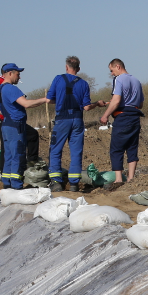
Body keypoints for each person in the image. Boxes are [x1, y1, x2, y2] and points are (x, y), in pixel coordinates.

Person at [44, 56, 99, 193]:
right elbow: (86, 107)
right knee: (76, 152)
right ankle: (74, 184)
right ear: (78, 69)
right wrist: (98, 104)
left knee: (56, 150)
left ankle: (56, 182)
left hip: (62, 119)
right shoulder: (84, 84)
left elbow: (49, 99)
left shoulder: (58, 79)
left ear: (66, 67)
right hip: (77, 120)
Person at [0, 63, 48, 190]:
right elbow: (26, 104)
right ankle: (17, 185)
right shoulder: (11, 89)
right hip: (15, 126)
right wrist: (44, 100)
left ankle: (7, 182)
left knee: (8, 155)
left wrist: (8, 113)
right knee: (17, 155)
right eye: (18, 73)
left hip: (6, 125)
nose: (19, 76)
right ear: (10, 73)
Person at [98, 58, 144, 190]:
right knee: (132, 147)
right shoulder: (136, 81)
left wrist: (105, 115)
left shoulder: (119, 79)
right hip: (135, 118)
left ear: (118, 66)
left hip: (122, 118)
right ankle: (131, 179)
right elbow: (140, 104)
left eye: (111, 70)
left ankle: (118, 180)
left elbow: (117, 100)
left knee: (116, 148)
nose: (112, 74)